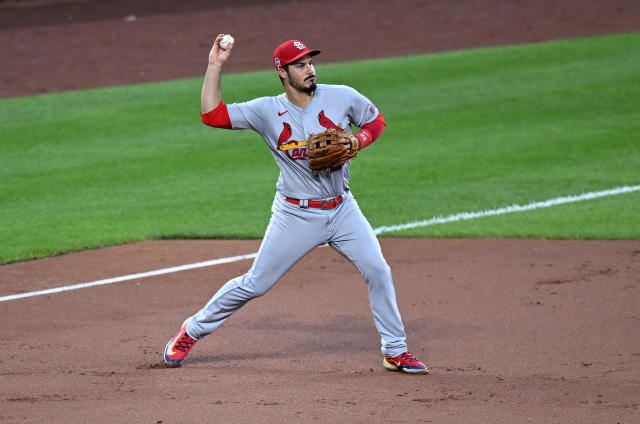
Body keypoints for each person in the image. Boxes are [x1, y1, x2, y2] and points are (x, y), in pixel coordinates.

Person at [163, 35, 428, 374]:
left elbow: (375, 122)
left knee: (378, 270)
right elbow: (212, 115)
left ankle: (395, 350)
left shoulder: (342, 96)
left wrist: (359, 139)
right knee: (255, 283)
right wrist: (215, 65)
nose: (310, 69)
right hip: (295, 214)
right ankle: (192, 331)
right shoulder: (265, 111)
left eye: (311, 63)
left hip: (342, 209)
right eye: (300, 65)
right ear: (282, 73)